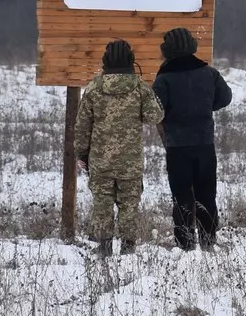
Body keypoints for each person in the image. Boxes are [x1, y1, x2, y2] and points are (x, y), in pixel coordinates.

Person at [75, 39, 163, 257]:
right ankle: (128, 249)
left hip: (100, 161)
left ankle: (104, 248)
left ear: (105, 61)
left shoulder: (94, 87)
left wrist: (81, 153)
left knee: (102, 204)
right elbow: (155, 116)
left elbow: (82, 125)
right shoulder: (140, 87)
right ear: (131, 60)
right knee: (129, 206)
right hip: (130, 163)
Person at [152, 27, 232, 251]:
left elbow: (155, 111)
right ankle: (208, 240)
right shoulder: (209, 73)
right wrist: (206, 107)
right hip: (205, 144)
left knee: (181, 194)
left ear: (167, 50)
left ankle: (185, 243)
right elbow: (225, 98)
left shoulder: (164, 78)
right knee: (207, 193)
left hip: (177, 146)